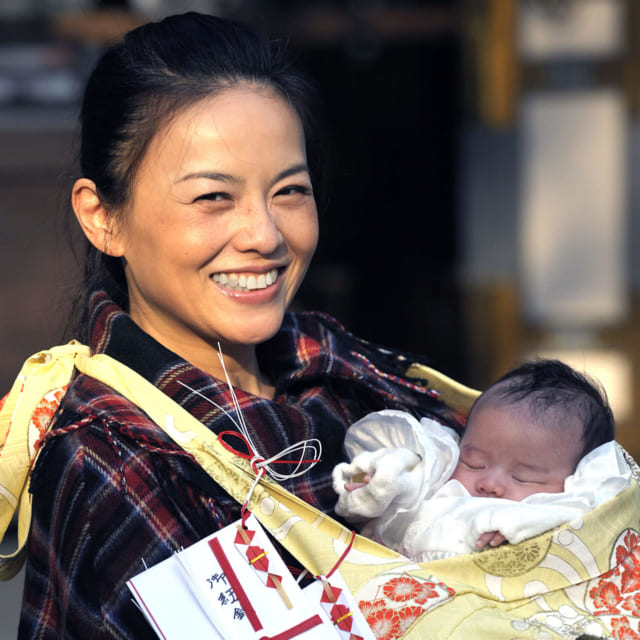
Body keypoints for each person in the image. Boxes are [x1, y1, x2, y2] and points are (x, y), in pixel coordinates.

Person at [11, 12, 466, 639]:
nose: (265, 235)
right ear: (102, 217)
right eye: (212, 198)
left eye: (289, 191)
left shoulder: (343, 372)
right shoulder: (113, 458)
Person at [333, 359, 630, 561]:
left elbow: (597, 497)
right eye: (474, 462)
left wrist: (522, 523)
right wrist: (377, 479)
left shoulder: (568, 506)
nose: (490, 483)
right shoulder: (442, 468)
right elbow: (398, 463)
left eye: (523, 477)